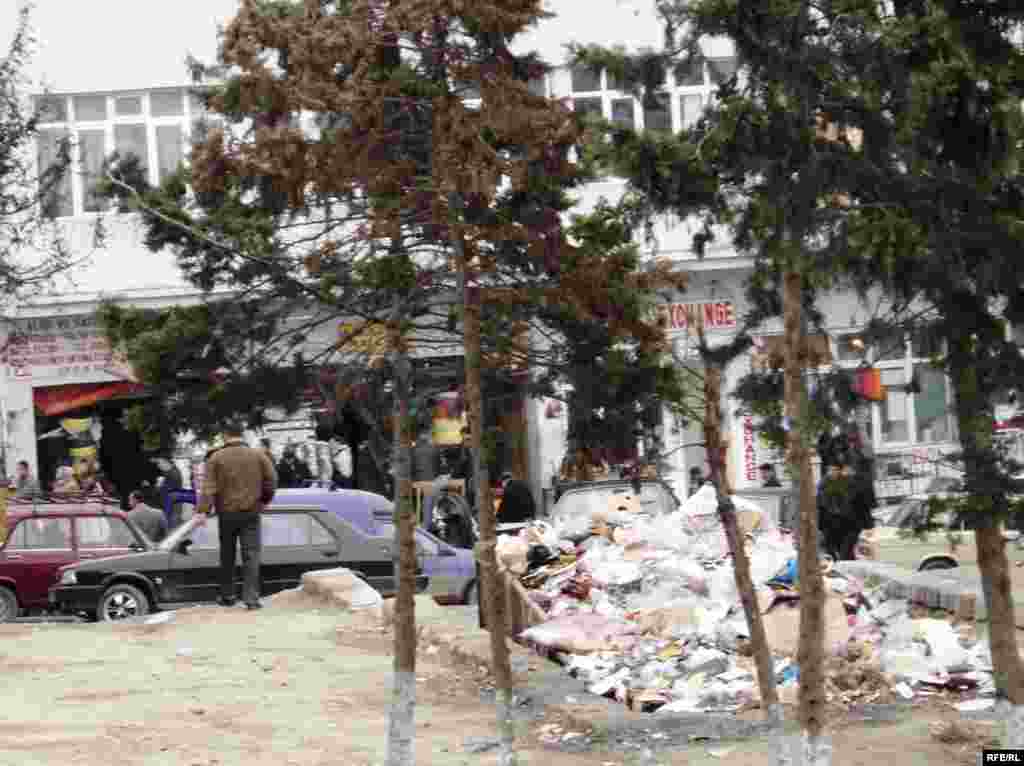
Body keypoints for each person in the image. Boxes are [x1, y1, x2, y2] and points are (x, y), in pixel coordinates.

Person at [196, 421, 278, 610]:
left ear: (225, 435)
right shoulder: (259, 455)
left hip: (226, 513)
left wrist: (203, 511)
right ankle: (251, 599)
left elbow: (208, 488)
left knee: (227, 554)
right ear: (242, 434)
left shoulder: (216, 458)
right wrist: (264, 500)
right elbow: (271, 480)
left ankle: (228, 595)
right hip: (251, 512)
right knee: (251, 554)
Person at [152, 456, 185, 527]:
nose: (158, 466)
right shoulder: (172, 471)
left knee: (172, 527)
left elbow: (166, 491)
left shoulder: (173, 474)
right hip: (173, 505)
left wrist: (159, 485)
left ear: (166, 462)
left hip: (173, 506)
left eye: (159, 463)